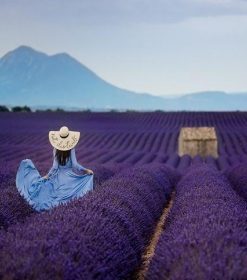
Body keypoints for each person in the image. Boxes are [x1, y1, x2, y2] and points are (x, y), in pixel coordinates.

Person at [16, 126, 94, 212]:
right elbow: (75, 165)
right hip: (69, 177)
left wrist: (47, 176)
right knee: (70, 198)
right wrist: (86, 170)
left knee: (55, 197)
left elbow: (55, 167)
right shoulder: (71, 148)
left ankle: (53, 213)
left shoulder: (56, 149)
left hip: (58, 177)